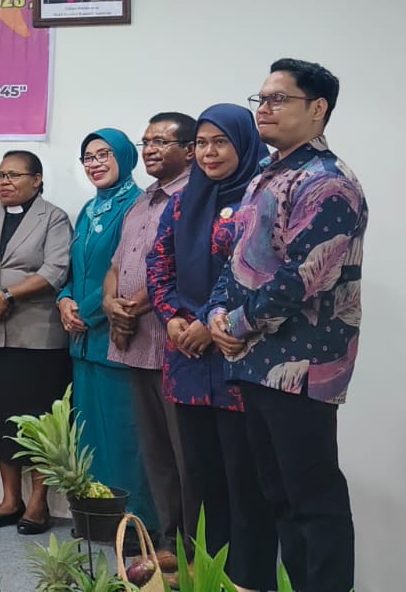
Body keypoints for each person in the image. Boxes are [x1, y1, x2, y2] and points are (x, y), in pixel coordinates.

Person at [207, 59, 366, 592]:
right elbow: (237, 257)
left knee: (313, 501)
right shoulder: (267, 175)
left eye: (279, 99)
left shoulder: (328, 182)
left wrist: (236, 323)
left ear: (317, 109)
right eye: (261, 99)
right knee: (278, 496)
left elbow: (303, 277)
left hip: (303, 365)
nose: (265, 108)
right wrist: (216, 314)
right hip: (256, 359)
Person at [149, 105, 278, 588]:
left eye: (220, 142)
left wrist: (208, 322)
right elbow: (158, 262)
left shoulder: (260, 199)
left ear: (243, 143)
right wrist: (173, 318)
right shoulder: (183, 202)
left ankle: (249, 579)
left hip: (237, 356)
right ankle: (205, 575)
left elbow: (255, 271)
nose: (209, 152)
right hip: (186, 360)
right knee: (200, 478)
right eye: (201, 143)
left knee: (246, 481)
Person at [99, 112, 194, 546]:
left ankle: (194, 547)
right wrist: (110, 304)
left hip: (176, 346)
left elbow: (186, 269)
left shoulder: (195, 198)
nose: (150, 150)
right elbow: (116, 264)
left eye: (160, 142)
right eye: (146, 142)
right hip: (137, 343)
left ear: (189, 150)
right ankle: (169, 540)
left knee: (186, 453)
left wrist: (134, 307)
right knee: (155, 451)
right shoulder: (142, 201)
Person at [0, 151, 73, 534]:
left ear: (37, 179)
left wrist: (7, 295)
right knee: (1, 417)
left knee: (40, 420)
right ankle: (11, 499)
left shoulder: (54, 217)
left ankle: (39, 504)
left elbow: (56, 269)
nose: (4, 182)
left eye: (13, 175)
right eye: (0, 175)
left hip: (38, 336)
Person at [55, 130, 154, 535]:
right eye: (88, 157)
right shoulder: (90, 208)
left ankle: (136, 526)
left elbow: (131, 273)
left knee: (126, 438)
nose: (94, 163)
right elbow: (75, 270)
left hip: (118, 339)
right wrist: (64, 299)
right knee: (90, 437)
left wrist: (87, 312)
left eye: (104, 154)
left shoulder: (139, 205)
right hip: (83, 344)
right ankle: (97, 520)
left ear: (126, 157)